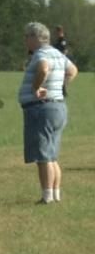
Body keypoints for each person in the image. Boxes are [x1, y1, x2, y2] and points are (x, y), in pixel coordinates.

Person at [19, 21, 78, 204]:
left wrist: (37, 88)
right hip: (57, 106)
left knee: (43, 155)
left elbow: (43, 69)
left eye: (27, 36)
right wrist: (61, 87)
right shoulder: (57, 53)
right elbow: (73, 70)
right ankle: (55, 193)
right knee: (52, 154)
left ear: (36, 38)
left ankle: (47, 196)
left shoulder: (42, 53)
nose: (25, 40)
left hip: (41, 108)